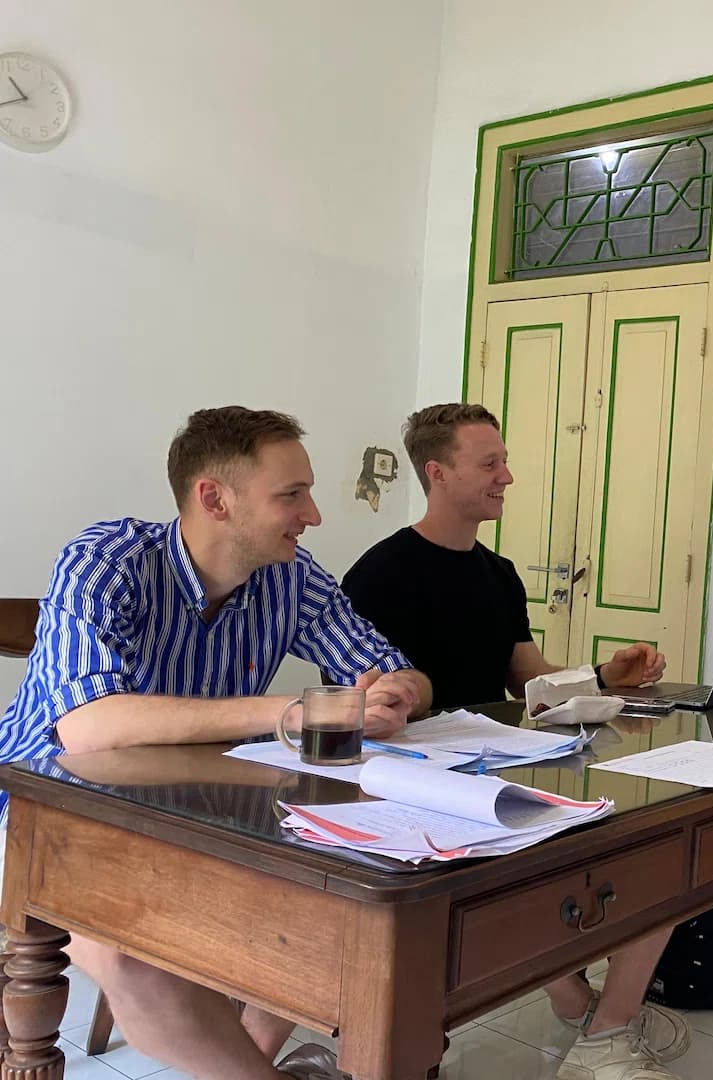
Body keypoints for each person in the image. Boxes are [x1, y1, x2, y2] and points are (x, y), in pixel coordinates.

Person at [0, 406, 432, 1080]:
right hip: (42, 808)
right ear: (215, 498)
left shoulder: (291, 576)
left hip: (194, 811)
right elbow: (85, 726)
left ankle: (239, 1065)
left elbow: (395, 668)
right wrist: (293, 710)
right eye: (292, 494)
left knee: (340, 907)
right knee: (127, 953)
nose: (313, 514)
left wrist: (395, 692)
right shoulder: (108, 559)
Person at [342, 403, 683, 1080]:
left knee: (660, 854)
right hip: (427, 781)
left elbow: (528, 674)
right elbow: (363, 704)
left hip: (510, 765)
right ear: (437, 473)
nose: (508, 476)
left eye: (504, 461)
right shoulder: (378, 576)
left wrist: (602, 674)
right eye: (490, 463)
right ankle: (575, 999)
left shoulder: (497, 574)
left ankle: (600, 1027)